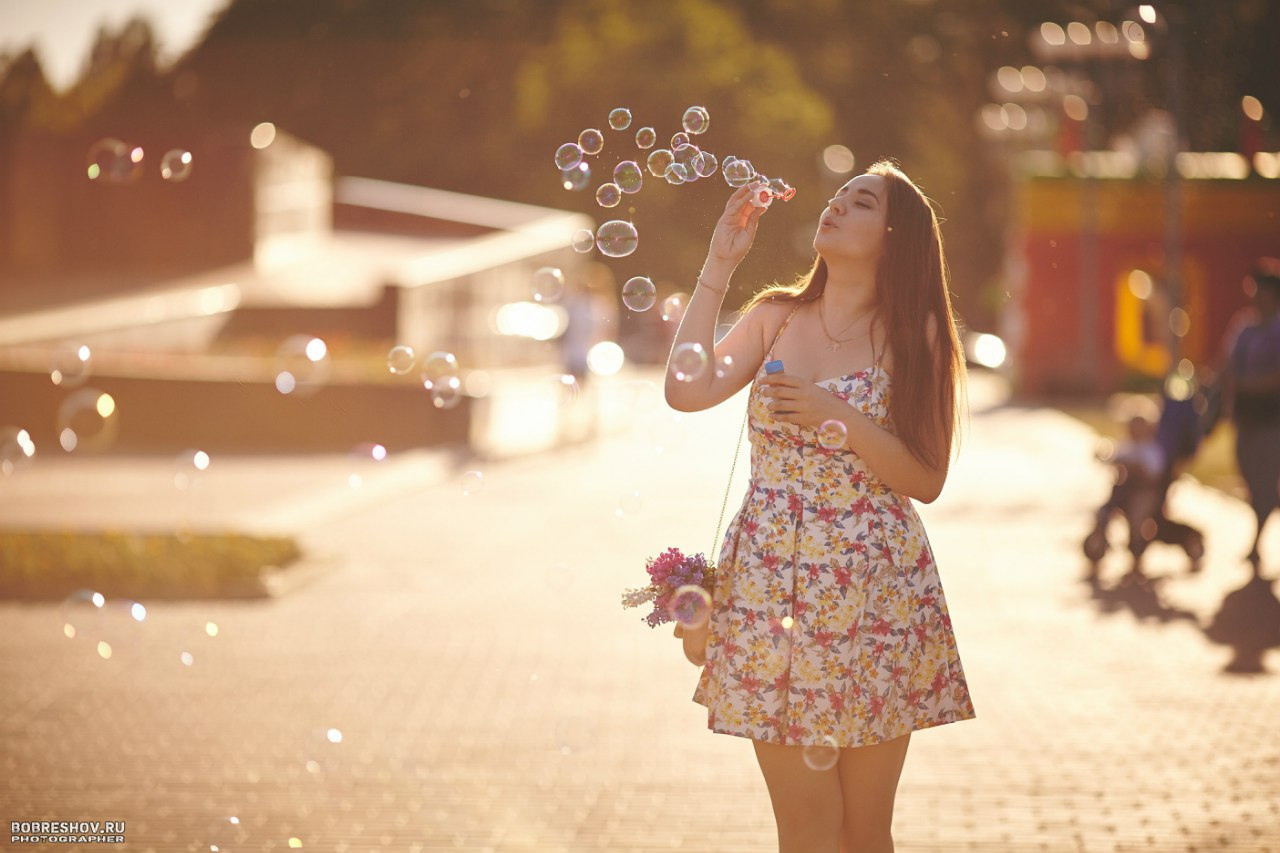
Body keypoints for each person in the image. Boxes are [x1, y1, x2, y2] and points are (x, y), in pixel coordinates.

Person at [664, 160, 976, 853]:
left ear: (894, 237)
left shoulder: (917, 335)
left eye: (859, 201)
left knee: (865, 833)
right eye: (836, 195)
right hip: (770, 590)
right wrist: (719, 262)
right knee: (805, 829)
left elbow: (925, 477)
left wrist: (838, 415)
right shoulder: (775, 316)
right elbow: (685, 389)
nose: (835, 205)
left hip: (878, 596)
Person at [1223, 258, 1280, 577]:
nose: (1255, 296)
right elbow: (1229, 367)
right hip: (1246, 416)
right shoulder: (1244, 328)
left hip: (1273, 416)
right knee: (1250, 476)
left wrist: (1249, 385)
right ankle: (1259, 530)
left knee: (1264, 481)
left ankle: (1256, 543)